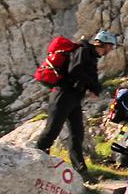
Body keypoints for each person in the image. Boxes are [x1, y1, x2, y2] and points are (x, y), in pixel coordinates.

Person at [35, 30, 118, 180]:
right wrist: (93, 86)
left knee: (77, 134)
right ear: (104, 44)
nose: (111, 50)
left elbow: (84, 75)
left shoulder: (91, 56)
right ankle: (36, 160)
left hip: (73, 97)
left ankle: (81, 171)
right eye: (111, 46)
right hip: (63, 95)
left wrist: (93, 87)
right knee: (52, 129)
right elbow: (75, 71)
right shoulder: (83, 50)